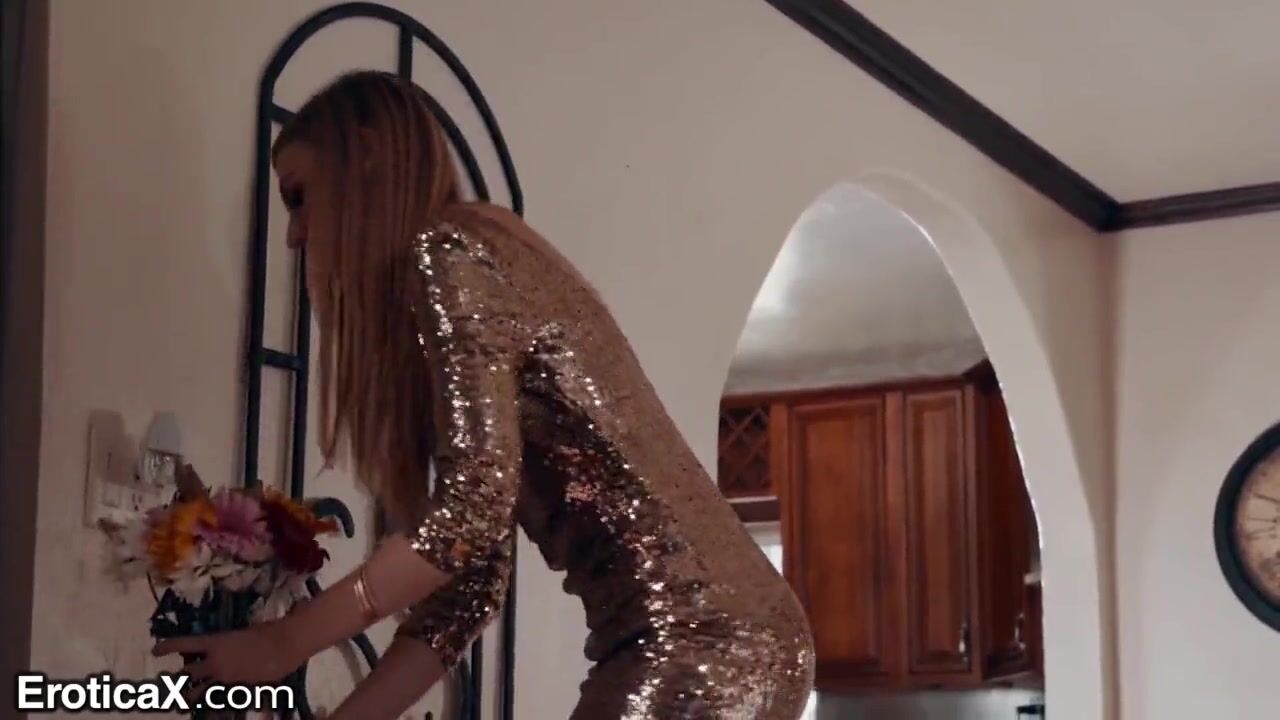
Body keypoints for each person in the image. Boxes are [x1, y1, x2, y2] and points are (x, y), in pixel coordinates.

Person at [153, 70, 814, 719]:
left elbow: (470, 512)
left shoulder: (450, 251)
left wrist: (283, 643)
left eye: (299, 197)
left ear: (368, 158)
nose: (294, 235)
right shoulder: (468, 263)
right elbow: (466, 588)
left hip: (693, 642)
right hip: (721, 637)